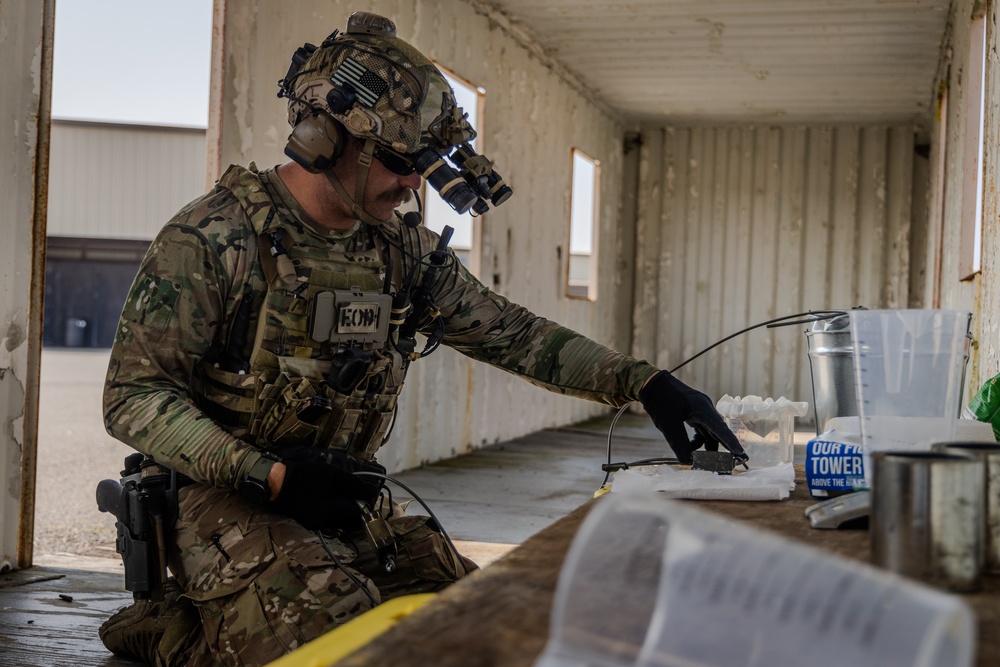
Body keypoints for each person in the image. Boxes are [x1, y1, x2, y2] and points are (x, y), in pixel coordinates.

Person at [97, 11, 746, 667]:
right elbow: (132, 395)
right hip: (223, 496)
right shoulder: (216, 236)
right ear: (326, 137)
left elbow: (512, 334)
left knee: (478, 629)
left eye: (425, 167)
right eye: (403, 162)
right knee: (338, 642)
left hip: (343, 496)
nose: (414, 184)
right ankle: (178, 628)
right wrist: (269, 475)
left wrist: (646, 383)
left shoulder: (402, 253)